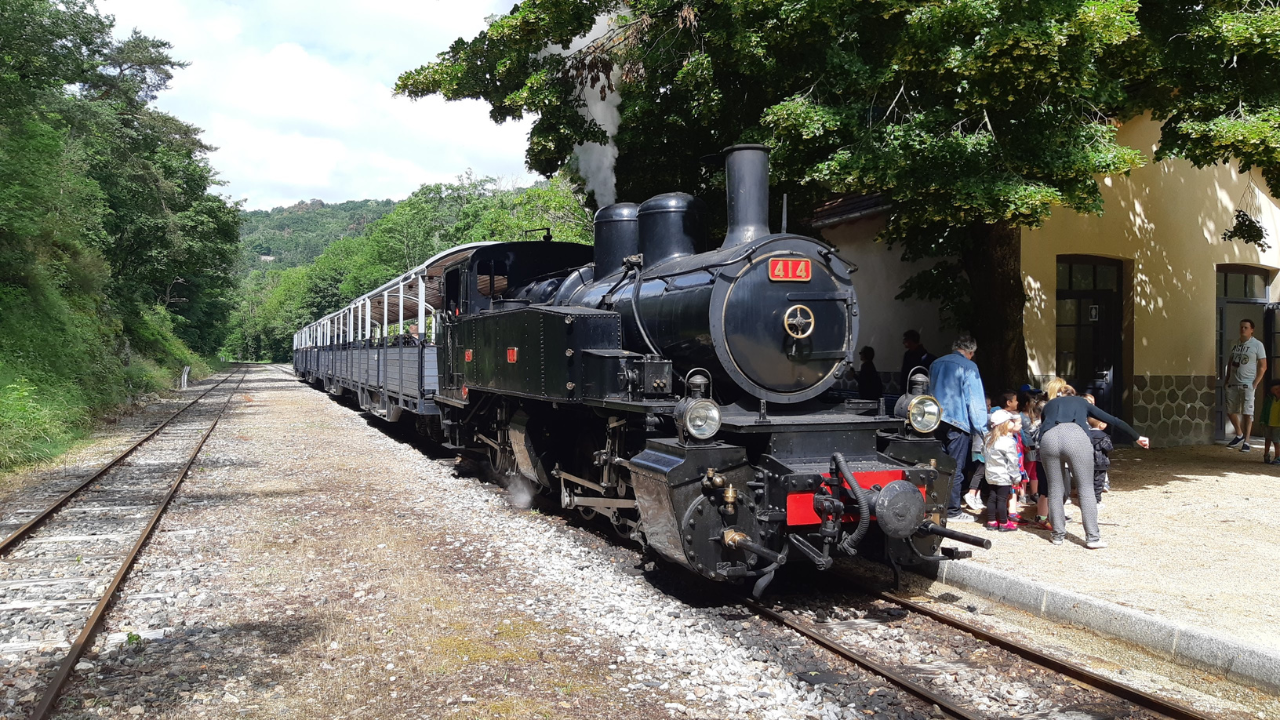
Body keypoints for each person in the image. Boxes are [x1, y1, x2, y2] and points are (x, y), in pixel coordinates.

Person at [1038, 377, 1150, 548]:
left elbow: (1044, 425)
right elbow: (1113, 420)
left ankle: (1058, 535)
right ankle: (1092, 538)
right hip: (1076, 437)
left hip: (1049, 440)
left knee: (1055, 488)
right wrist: (1137, 437)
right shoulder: (1082, 402)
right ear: (1073, 393)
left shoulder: (1048, 405)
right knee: (1085, 488)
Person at [929, 335, 989, 519]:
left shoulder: (935, 363)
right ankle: (953, 510)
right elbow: (975, 400)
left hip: (934, 420)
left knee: (936, 465)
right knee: (955, 467)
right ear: (971, 352)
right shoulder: (969, 366)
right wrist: (983, 430)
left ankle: (934, 505)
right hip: (958, 422)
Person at [1225, 318, 1267, 452]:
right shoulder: (1234, 343)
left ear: (1251, 330)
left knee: (1247, 413)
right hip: (1233, 383)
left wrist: (1255, 383)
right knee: (1230, 410)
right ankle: (1239, 434)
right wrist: (1227, 379)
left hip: (1247, 384)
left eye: (1246, 327)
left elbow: (1263, 366)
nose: (1243, 329)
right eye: (1241, 327)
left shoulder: (1257, 345)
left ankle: (1247, 441)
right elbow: (1231, 361)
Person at [983, 409, 1021, 532]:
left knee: (992, 497)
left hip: (990, 475)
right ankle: (1004, 523)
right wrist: (1016, 477)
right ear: (1004, 424)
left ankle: (991, 521)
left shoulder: (988, 439)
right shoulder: (1008, 442)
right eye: (1010, 420)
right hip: (1003, 476)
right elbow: (1013, 462)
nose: (1013, 422)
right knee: (1002, 499)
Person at [1262, 380, 1280, 464]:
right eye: (1275, 389)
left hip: (1278, 424)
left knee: (1277, 441)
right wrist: (1262, 420)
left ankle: (1278, 457)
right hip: (1268, 422)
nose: (1277, 391)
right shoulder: (1269, 399)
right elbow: (1264, 410)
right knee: (1267, 439)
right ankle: (1266, 454)